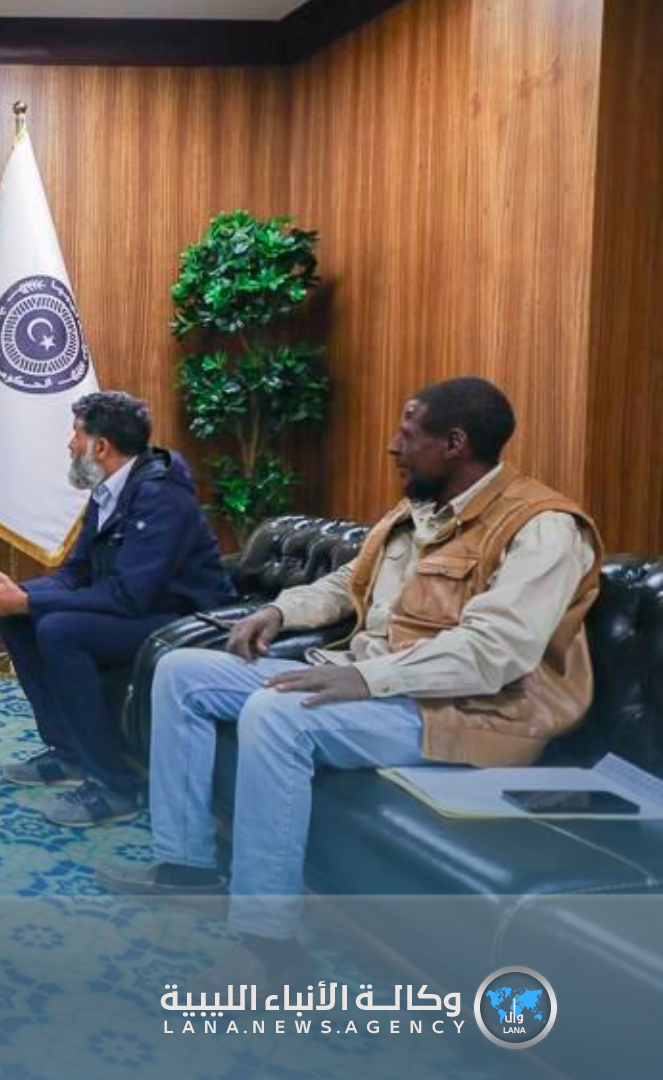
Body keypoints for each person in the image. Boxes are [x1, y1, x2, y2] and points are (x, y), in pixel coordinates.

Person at [100, 377, 601, 988]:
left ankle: (270, 947)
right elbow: (348, 583)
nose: (393, 445)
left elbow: (495, 652)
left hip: (471, 712)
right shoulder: (415, 512)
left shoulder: (543, 527)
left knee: (277, 716)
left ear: (454, 443)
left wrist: (365, 676)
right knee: (184, 672)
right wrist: (280, 611)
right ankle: (188, 871)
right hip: (383, 688)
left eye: (408, 433)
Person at [0, 391, 235, 827]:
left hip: (186, 622)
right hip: (141, 608)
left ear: (101, 447)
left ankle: (114, 786)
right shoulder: (109, 490)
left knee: (59, 630)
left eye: (76, 434)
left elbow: (128, 595)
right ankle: (69, 751)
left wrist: (30, 599)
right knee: (18, 618)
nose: (70, 444)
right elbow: (75, 573)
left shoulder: (160, 495)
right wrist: (18, 596)